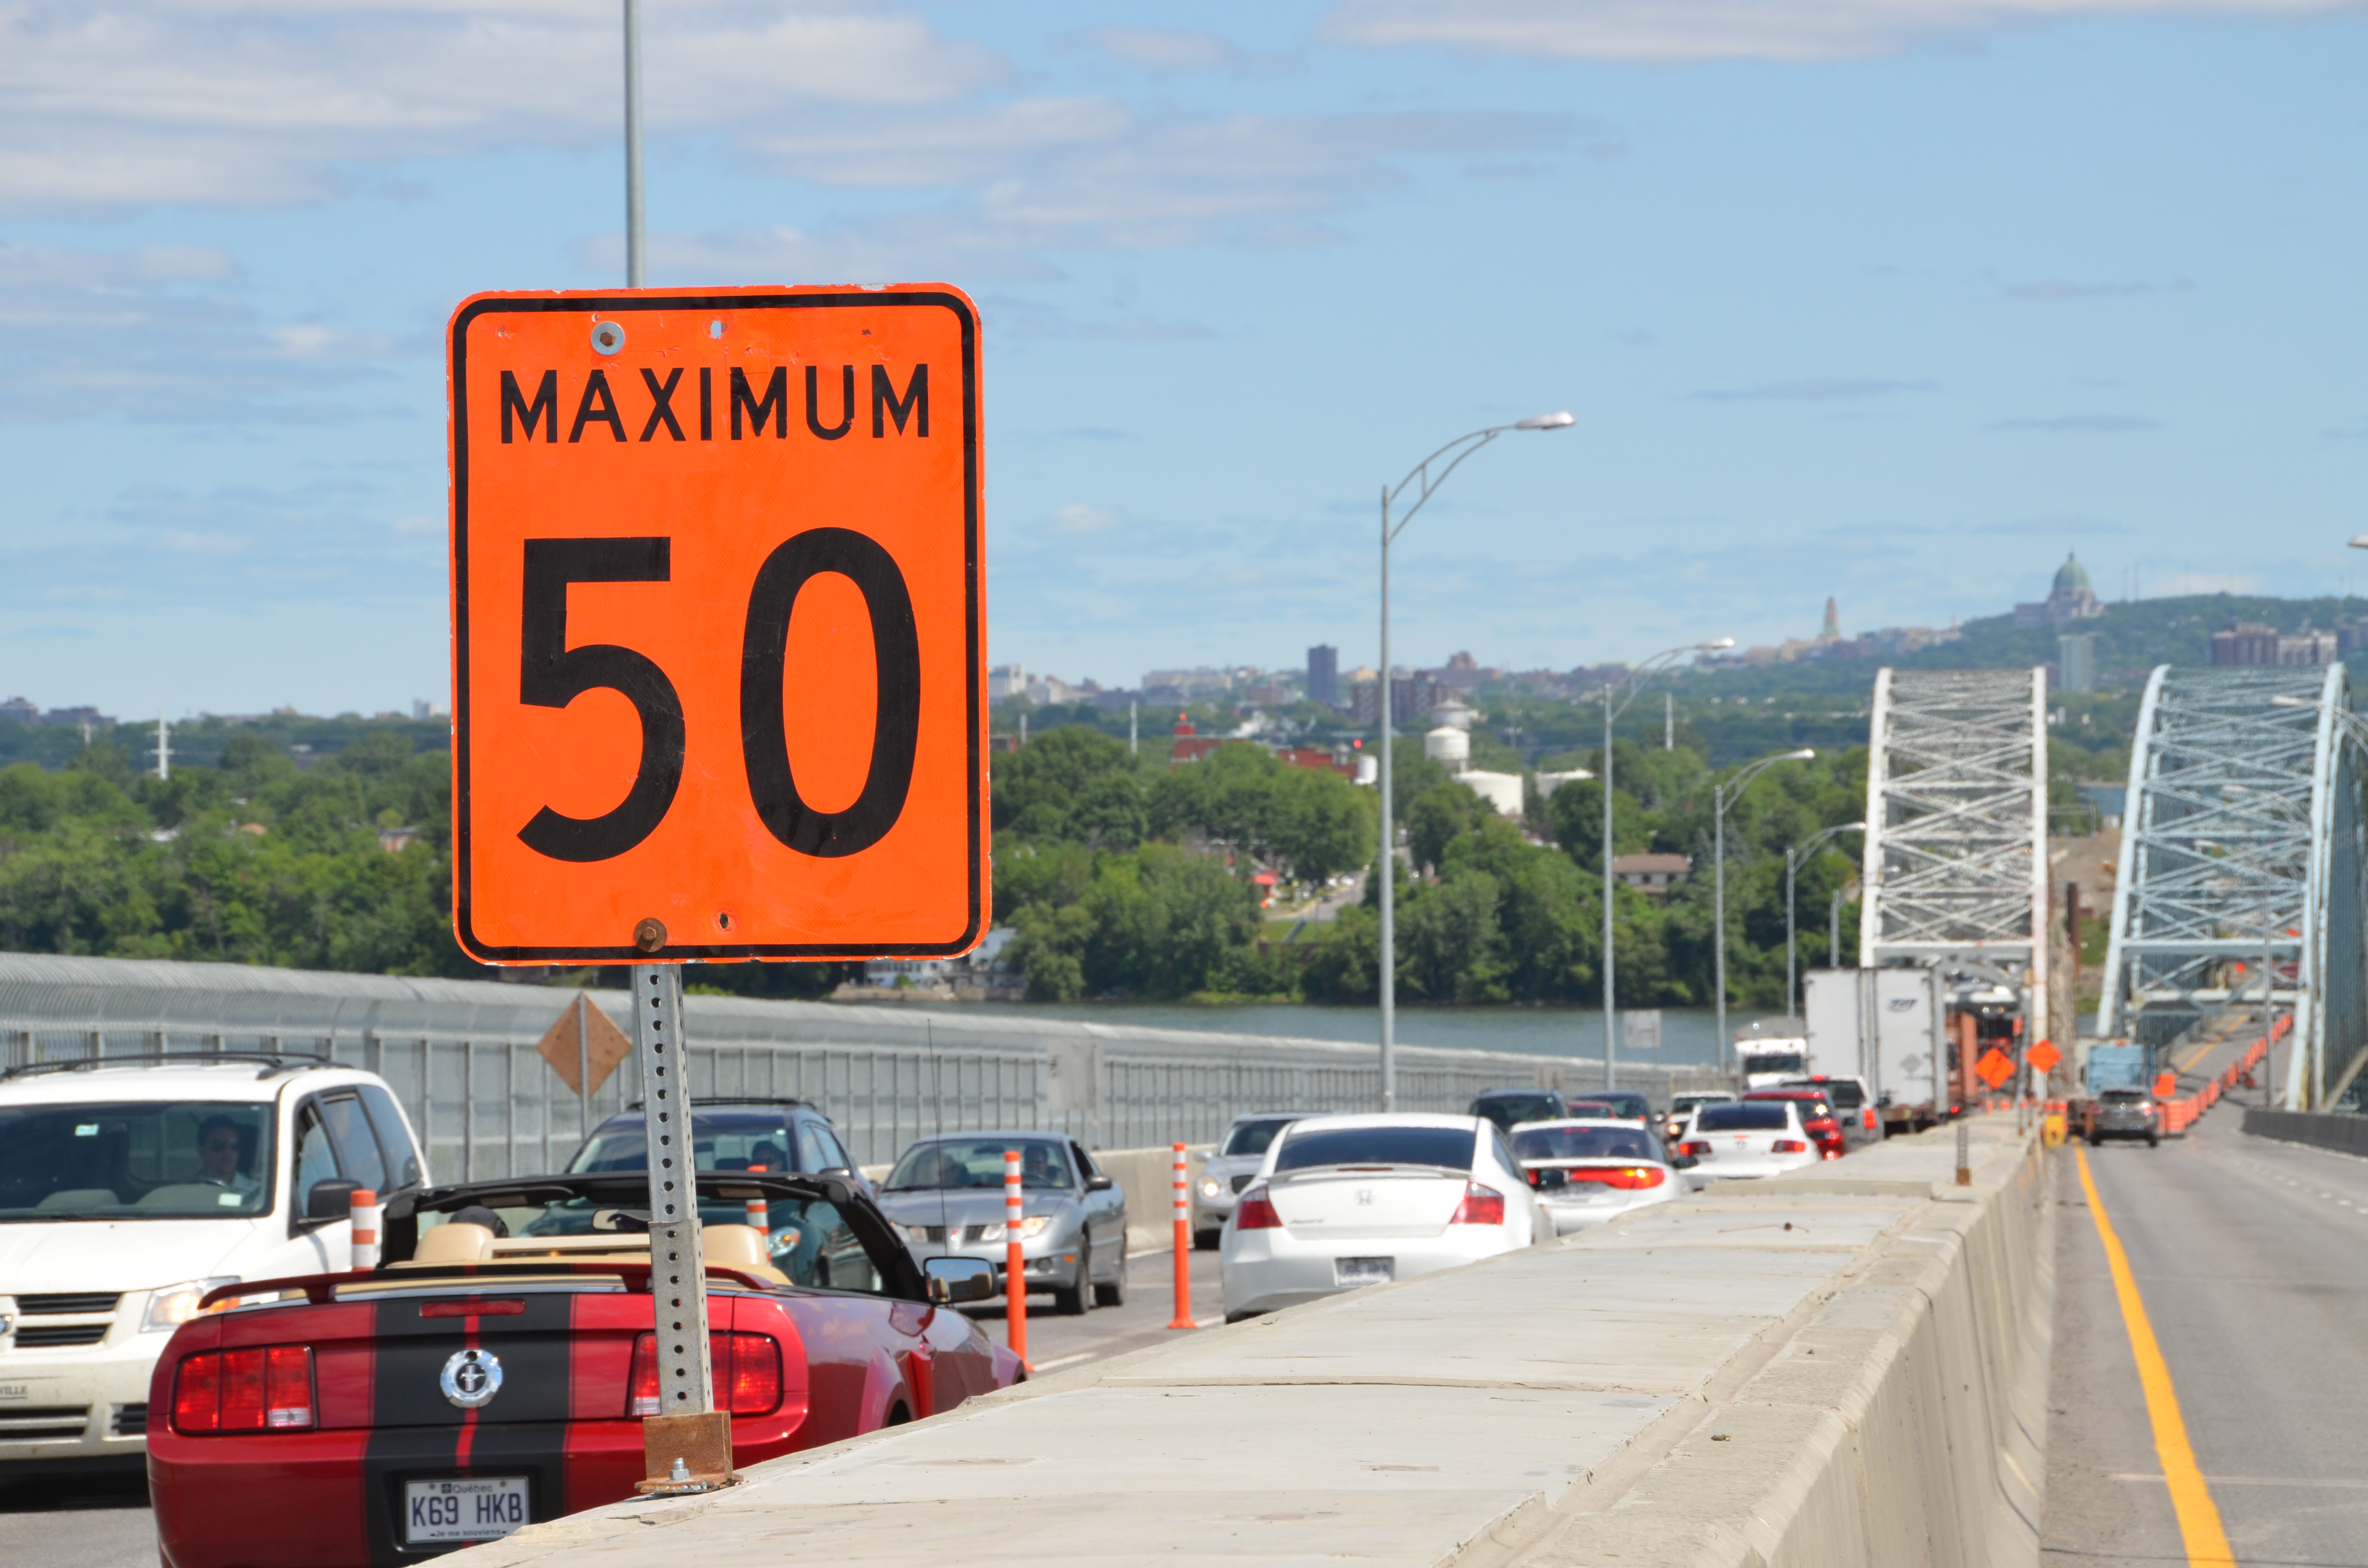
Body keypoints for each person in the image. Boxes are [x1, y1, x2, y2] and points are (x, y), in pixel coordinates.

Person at [196, 1114, 260, 1197]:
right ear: (202, 1151)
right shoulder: (188, 1191)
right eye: (219, 1145)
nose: (228, 1152)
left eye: (234, 1146)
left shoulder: (257, 1192)